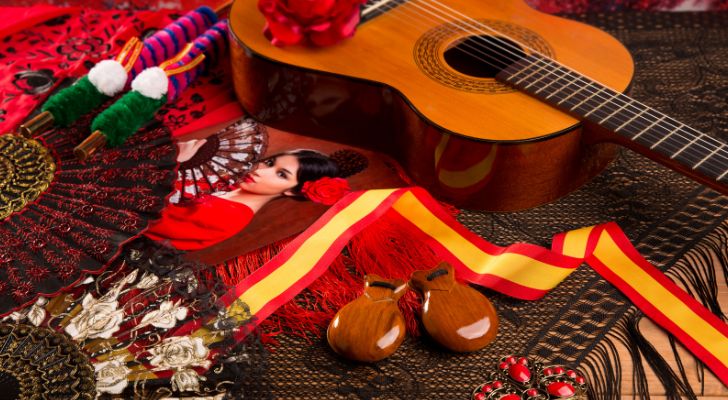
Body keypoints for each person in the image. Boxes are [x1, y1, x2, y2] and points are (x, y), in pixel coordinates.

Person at [144, 148, 340, 250]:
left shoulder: (230, 216)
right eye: (270, 162)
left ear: (293, 191)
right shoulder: (227, 183)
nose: (262, 171)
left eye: (282, 175)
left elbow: (151, 220)